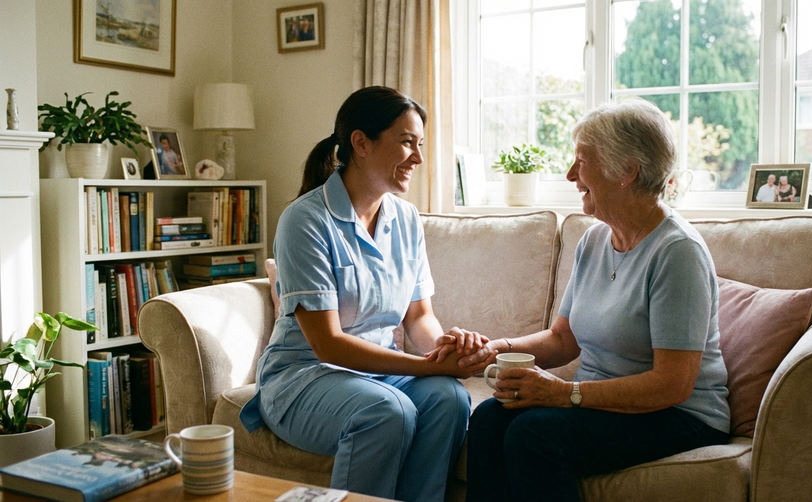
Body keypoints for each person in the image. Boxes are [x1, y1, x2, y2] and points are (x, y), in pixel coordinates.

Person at [460, 98, 731, 502]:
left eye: (582, 161)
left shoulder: (678, 252)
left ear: (627, 171)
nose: (571, 174)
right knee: (490, 416)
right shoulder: (594, 240)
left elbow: (673, 384)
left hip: (680, 415)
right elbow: (562, 340)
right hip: (602, 403)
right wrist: (495, 349)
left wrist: (565, 394)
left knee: (534, 435)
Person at [238, 86, 492, 502]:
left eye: (420, 144)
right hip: (304, 377)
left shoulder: (406, 218)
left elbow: (418, 317)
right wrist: (427, 366)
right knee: (386, 410)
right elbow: (328, 344)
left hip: (377, 376)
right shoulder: (305, 220)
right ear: (361, 143)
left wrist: (445, 351)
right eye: (407, 142)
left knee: (449, 398)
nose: (418, 158)